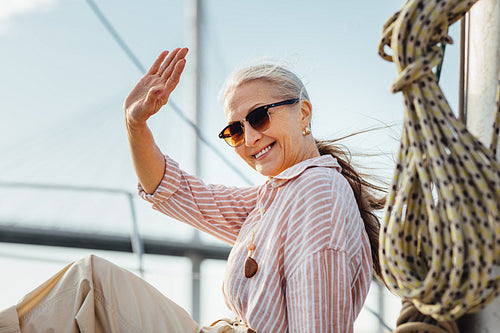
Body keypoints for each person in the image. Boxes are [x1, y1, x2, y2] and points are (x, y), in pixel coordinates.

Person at [0, 47, 385, 333]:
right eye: (234, 130)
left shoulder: (317, 194)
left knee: (89, 285)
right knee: (88, 288)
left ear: (302, 113)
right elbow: (176, 191)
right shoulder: (277, 198)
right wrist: (136, 125)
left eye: (258, 116)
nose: (249, 137)